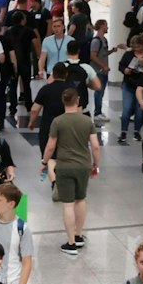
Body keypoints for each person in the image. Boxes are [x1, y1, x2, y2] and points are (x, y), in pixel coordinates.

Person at [43, 87, 99, 254]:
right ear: (78, 101)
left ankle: (71, 243)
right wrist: (96, 164)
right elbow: (95, 146)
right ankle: (79, 235)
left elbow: (50, 146)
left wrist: (44, 162)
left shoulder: (58, 121)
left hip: (65, 166)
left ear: (63, 102)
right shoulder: (87, 121)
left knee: (68, 204)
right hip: (83, 165)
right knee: (81, 199)